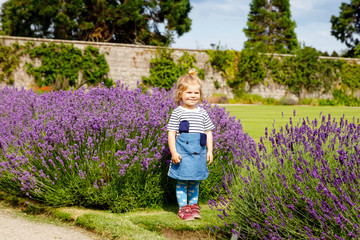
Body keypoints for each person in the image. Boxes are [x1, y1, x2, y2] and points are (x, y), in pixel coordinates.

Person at [167, 69, 215, 221]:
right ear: (180, 94)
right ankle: (183, 208)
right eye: (189, 93)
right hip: (183, 152)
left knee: (195, 180)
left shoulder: (202, 113)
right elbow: (171, 133)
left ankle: (193, 206)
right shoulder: (178, 112)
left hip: (198, 153)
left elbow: (208, 132)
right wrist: (174, 152)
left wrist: (210, 151)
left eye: (196, 93)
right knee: (182, 179)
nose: (193, 96)